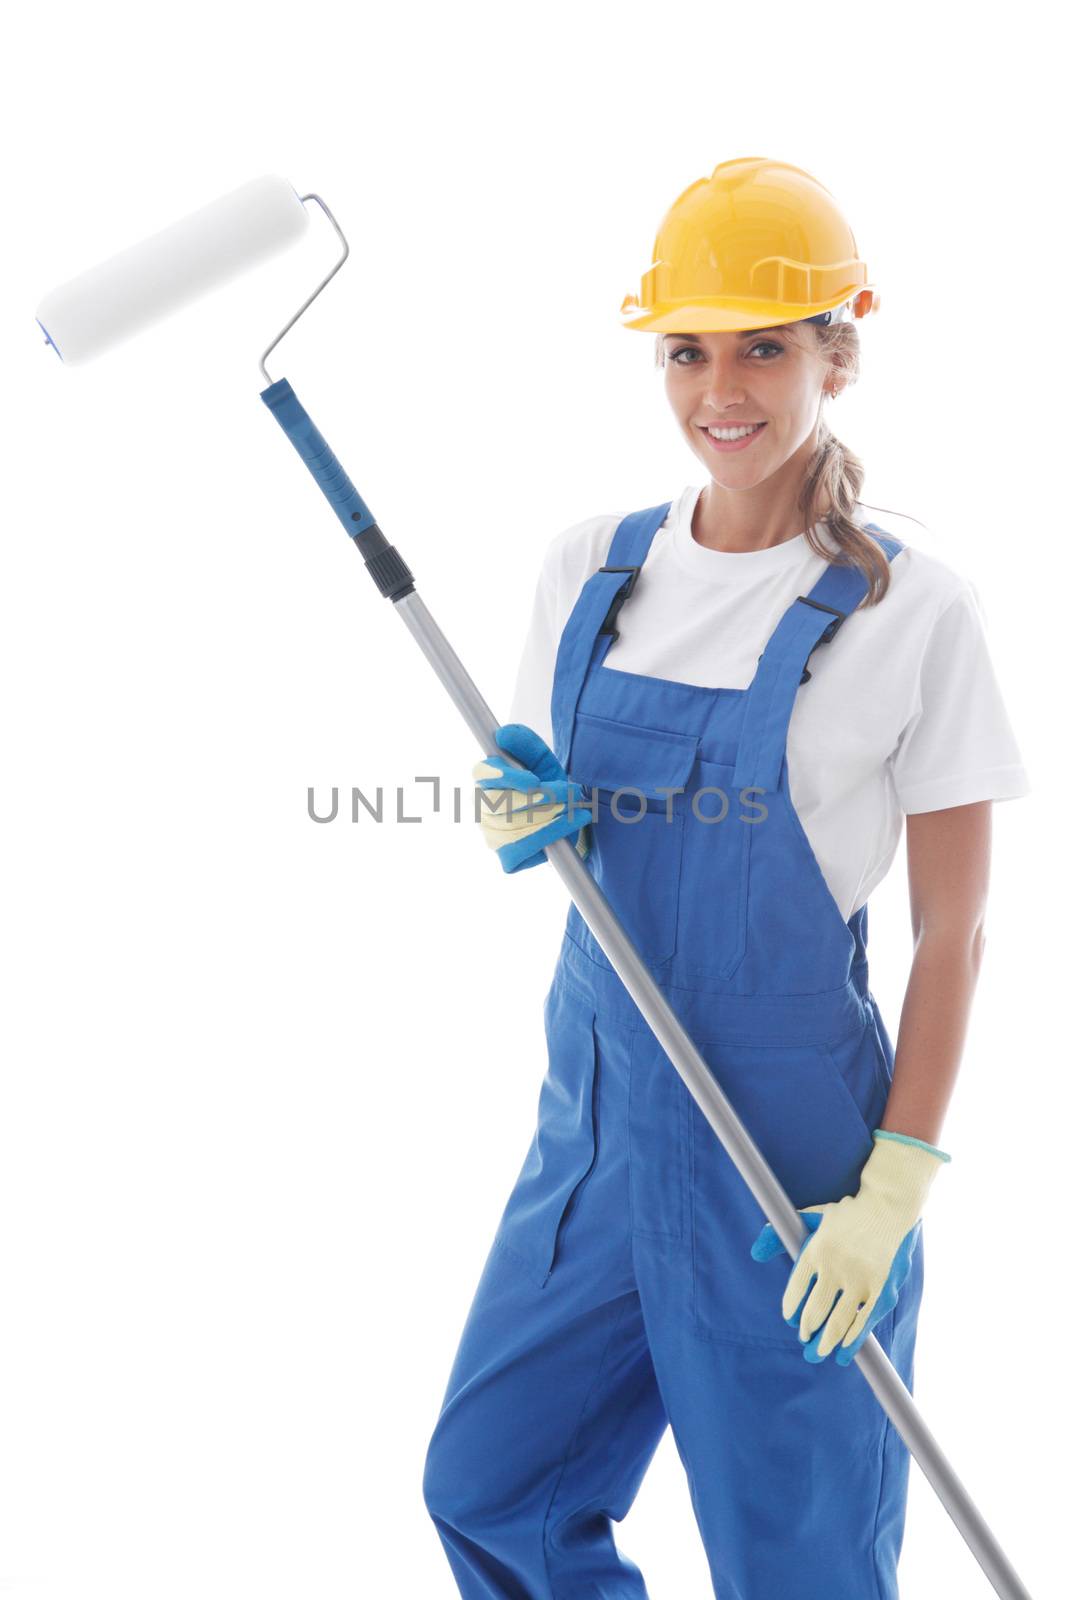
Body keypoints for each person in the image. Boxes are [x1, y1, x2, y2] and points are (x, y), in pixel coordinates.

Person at [421, 157, 1030, 1599]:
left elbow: (957, 928)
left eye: (764, 343)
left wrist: (894, 1189)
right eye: (686, 349)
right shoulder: (590, 564)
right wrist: (521, 813)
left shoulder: (913, 608)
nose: (722, 387)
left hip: (790, 1169)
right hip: (599, 1138)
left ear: (840, 349)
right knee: (490, 1490)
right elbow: (547, 814)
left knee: (800, 1564)